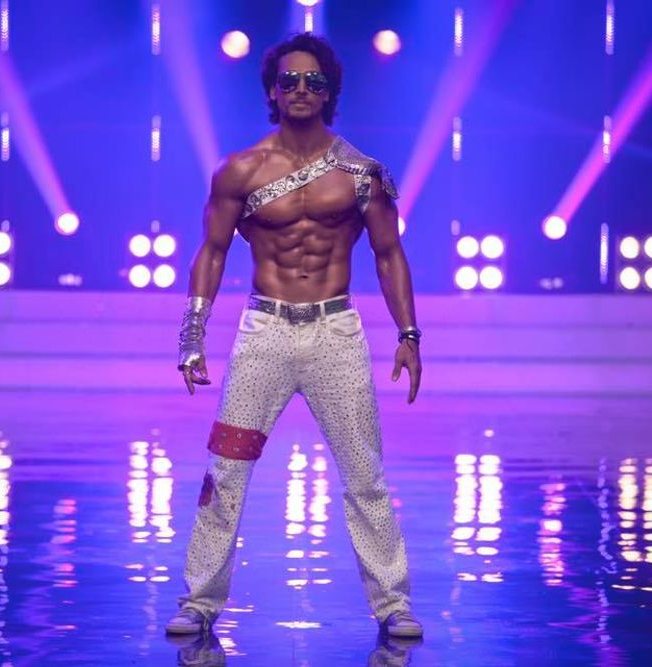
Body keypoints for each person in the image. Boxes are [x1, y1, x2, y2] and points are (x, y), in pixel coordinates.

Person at [167, 32, 423, 639]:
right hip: (265, 333)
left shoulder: (361, 173)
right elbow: (212, 250)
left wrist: (409, 334)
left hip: (336, 332)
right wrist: (191, 334)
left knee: (365, 474)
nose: (301, 89)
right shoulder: (241, 171)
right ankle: (199, 601)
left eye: (314, 81)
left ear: (329, 91)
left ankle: (393, 603)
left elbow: (389, 254)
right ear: (273, 92)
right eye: (289, 81)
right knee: (226, 470)